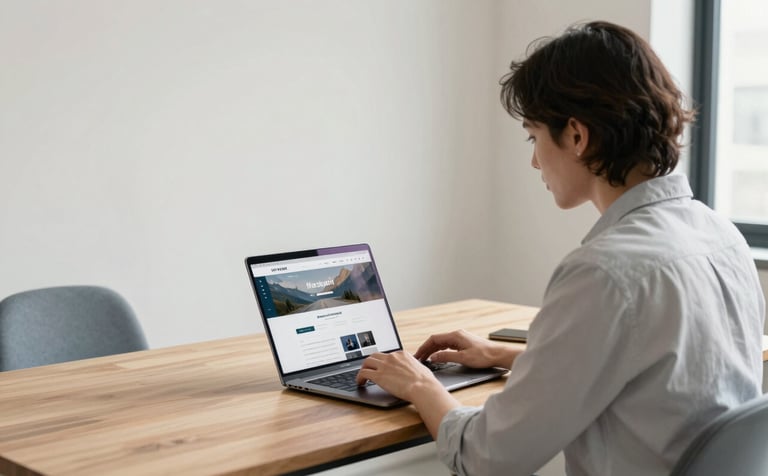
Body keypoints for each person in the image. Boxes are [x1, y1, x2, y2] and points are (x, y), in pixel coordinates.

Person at [356, 21, 765, 476]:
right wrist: (507, 355)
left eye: (534, 136)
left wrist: (420, 385)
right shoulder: (721, 236)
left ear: (576, 135)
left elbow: (487, 459)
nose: (534, 160)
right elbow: (662, 374)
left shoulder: (605, 273)